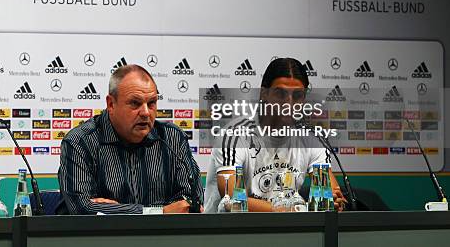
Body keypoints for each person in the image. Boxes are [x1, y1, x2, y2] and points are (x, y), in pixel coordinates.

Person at [204, 57, 347, 212]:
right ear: (264, 94)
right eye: (280, 93)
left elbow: (331, 193)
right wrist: (293, 210)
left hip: (286, 231)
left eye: (297, 95)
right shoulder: (236, 134)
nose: (289, 103)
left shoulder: (312, 138)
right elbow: (232, 199)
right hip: (228, 232)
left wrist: (335, 202)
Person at [59, 64, 203, 214]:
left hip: (162, 237)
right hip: (100, 237)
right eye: (135, 103)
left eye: (151, 103)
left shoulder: (172, 138)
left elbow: (192, 201)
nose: (146, 113)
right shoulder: (80, 142)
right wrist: (160, 212)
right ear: (111, 104)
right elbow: (82, 209)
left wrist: (114, 210)